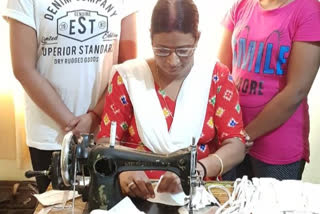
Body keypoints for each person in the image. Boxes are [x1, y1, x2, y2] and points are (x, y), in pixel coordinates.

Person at [97, 0, 246, 200]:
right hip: (138, 195)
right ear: (150, 37)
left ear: (197, 38)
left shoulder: (215, 76)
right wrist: (123, 171)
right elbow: (106, 143)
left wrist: (199, 169)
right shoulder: (128, 78)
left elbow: (236, 145)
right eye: (162, 50)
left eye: (184, 51)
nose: (172, 61)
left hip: (198, 193)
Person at [3, 0, 137, 193]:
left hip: (106, 131)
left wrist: (95, 116)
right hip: (51, 136)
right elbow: (23, 68)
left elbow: (127, 66)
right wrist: (72, 124)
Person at [218, 0, 320, 180]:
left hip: (277, 146)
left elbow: (296, 91)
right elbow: (221, 74)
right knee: (229, 205)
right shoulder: (242, 5)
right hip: (232, 137)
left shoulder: (309, 10)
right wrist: (230, 134)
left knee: (272, 206)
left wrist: (244, 136)